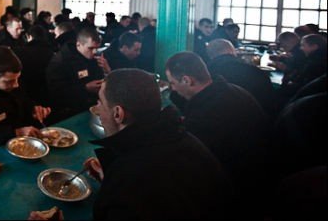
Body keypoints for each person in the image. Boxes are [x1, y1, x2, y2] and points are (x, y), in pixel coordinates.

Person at [72, 69, 230, 220]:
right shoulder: (185, 140)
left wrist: (115, 183)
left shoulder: (130, 183)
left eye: (100, 102)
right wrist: (109, 177)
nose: (98, 109)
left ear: (118, 113)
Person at [165, 51, 273, 216]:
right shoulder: (231, 90)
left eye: (172, 83)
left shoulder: (205, 117)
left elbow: (192, 164)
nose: (172, 88)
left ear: (187, 80)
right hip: (263, 177)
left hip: (240, 193)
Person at [206, 39, 281, 120]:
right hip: (255, 121)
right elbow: (271, 105)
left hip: (217, 120)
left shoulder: (207, 73)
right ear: (233, 52)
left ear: (210, 56)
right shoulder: (255, 72)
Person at [46, 27, 110, 122]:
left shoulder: (94, 58)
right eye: (91, 48)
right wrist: (85, 88)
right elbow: (57, 92)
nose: (94, 52)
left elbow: (100, 79)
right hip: (69, 111)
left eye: (97, 48)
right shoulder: (61, 61)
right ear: (78, 44)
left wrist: (107, 71)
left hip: (92, 105)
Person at [12, 25, 55, 106]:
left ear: (29, 36)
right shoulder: (51, 53)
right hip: (47, 94)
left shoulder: (20, 52)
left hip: (27, 93)